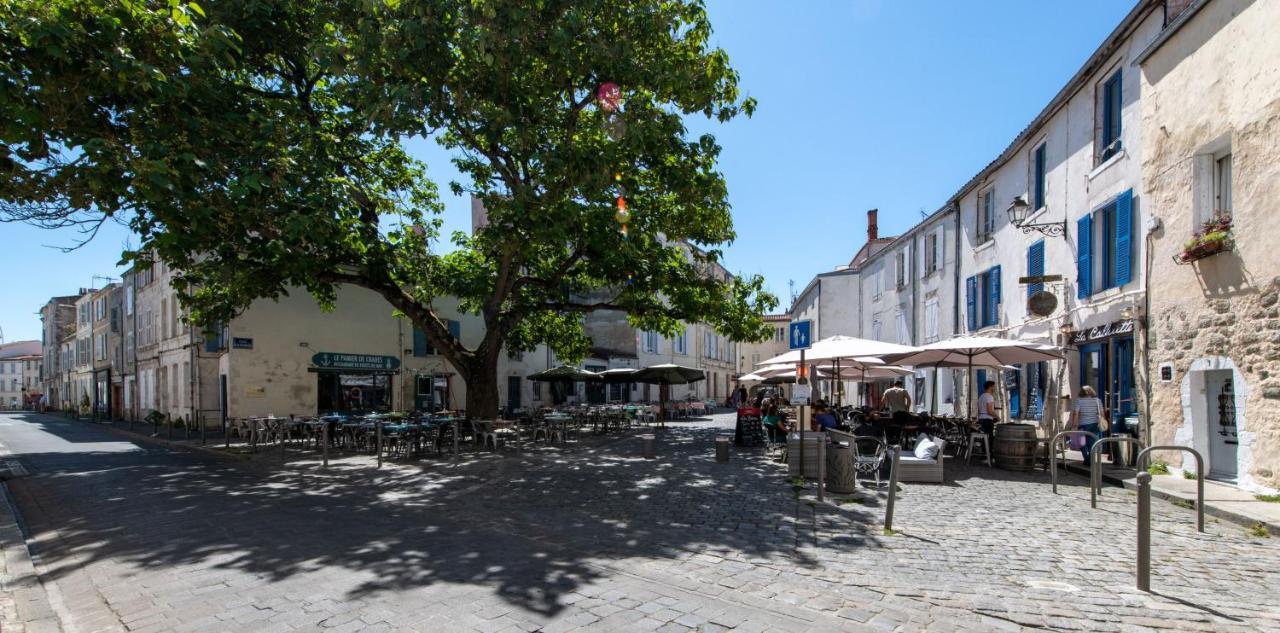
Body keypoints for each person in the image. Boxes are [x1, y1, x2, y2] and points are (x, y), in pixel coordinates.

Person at [1069, 385, 1107, 465]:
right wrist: (1101, 420)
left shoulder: (1079, 401)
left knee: (1082, 443)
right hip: (1095, 424)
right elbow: (1102, 413)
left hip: (1083, 424)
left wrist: (1074, 425)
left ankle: (1087, 459)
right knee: (1092, 443)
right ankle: (1089, 460)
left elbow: (1076, 414)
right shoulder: (1098, 400)